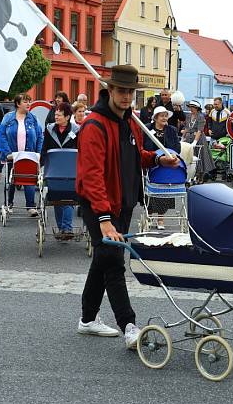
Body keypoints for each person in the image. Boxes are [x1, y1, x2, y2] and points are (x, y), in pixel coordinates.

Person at [76, 65, 180, 347]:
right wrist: (104, 219)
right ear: (110, 90)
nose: (126, 96)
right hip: (99, 207)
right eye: (121, 91)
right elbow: (92, 175)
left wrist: (158, 159)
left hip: (123, 203)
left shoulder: (130, 121)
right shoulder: (93, 126)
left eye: (130, 92)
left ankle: (87, 319)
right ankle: (129, 326)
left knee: (102, 259)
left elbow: (135, 156)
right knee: (113, 263)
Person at [41, 102, 80, 239]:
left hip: (71, 171)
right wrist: (40, 165)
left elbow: (81, 150)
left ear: (67, 117)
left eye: (59, 115)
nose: (56, 117)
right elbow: (44, 148)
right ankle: (61, 228)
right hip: (54, 170)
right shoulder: (50, 129)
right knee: (56, 197)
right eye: (55, 114)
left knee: (68, 197)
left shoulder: (76, 130)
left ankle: (67, 228)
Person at [0, 94, 43, 216]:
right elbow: (2, 135)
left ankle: (31, 206)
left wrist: (38, 153)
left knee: (29, 179)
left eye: (29, 101)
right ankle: (9, 204)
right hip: (12, 155)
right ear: (18, 104)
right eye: (25, 101)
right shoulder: (8, 118)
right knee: (12, 180)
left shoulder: (33, 118)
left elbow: (40, 136)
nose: (28, 104)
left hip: (29, 155)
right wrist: (8, 153)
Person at [144, 105, 181, 229]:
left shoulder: (171, 130)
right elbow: (144, 145)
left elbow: (177, 147)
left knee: (165, 192)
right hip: (151, 163)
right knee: (150, 192)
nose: (165, 118)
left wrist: (171, 155)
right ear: (155, 117)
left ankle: (161, 219)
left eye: (166, 116)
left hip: (167, 165)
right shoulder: (147, 128)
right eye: (162, 116)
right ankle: (149, 216)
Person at [182, 99, 215, 182]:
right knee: (189, 157)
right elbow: (186, 127)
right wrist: (183, 137)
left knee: (199, 157)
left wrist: (195, 142)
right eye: (190, 107)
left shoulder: (201, 116)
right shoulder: (188, 116)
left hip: (198, 138)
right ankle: (190, 174)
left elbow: (200, 131)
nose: (191, 109)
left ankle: (200, 176)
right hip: (189, 138)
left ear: (197, 108)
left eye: (193, 107)